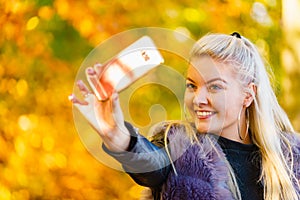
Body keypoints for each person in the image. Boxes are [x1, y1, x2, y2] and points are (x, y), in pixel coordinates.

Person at [70, 32, 300, 200]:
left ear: (248, 95)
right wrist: (117, 136)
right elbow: (150, 163)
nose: (198, 99)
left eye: (214, 87)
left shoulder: (291, 160)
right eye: (192, 85)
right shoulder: (179, 147)